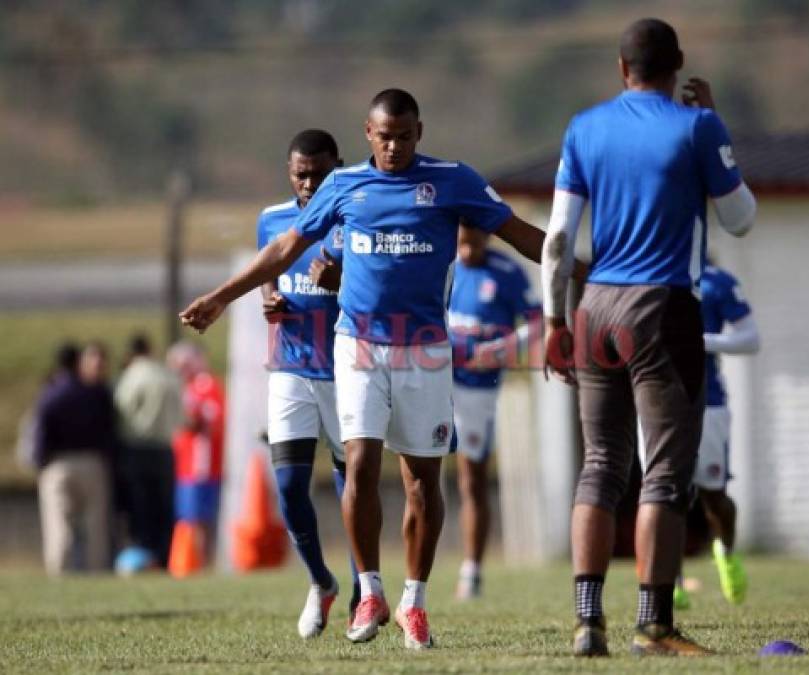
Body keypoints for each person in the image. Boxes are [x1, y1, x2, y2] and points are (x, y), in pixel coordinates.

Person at [180, 88, 560, 649]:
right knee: (358, 462)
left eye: (404, 136)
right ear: (367, 133)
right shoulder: (343, 185)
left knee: (423, 483)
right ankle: (370, 591)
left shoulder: (452, 180)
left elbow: (520, 234)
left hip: (426, 350)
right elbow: (286, 248)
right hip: (356, 344)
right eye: (384, 136)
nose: (394, 146)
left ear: (419, 132)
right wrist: (221, 296)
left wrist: (585, 270)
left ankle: (415, 602)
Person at [541, 18, 756, 657]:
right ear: (678, 65)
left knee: (601, 465)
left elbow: (557, 240)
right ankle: (654, 625)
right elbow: (740, 220)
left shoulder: (584, 128)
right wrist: (716, 127)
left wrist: (556, 320)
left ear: (620, 68)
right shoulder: (697, 126)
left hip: (595, 306)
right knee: (664, 472)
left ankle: (587, 622)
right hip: (662, 307)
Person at [256, 128, 360, 639]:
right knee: (289, 486)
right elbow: (270, 271)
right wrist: (269, 299)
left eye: (320, 173)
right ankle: (321, 582)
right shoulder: (272, 220)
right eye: (301, 174)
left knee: (353, 487)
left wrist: (342, 284)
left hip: (346, 370)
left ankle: (367, 583)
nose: (310, 183)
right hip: (291, 369)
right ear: (289, 173)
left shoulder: (356, 216)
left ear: (338, 166)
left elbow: (379, 289)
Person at [448, 223, 542, 599]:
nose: (467, 249)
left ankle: (472, 571)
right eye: (461, 242)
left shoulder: (506, 272)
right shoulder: (442, 266)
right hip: (437, 381)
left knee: (471, 478)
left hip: (477, 389)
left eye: (473, 240)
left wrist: (505, 347)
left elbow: (537, 321)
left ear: (486, 236)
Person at [672, 262, 759, 609]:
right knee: (665, 494)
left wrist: (703, 340)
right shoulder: (641, 271)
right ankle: (668, 581)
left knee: (714, 497)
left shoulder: (717, 281)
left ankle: (725, 551)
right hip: (655, 401)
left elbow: (751, 339)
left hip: (709, 403)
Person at [34, 341, 117, 574]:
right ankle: (96, 570)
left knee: (59, 523)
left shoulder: (50, 394)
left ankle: (60, 569)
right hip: (93, 462)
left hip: (58, 464)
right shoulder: (95, 392)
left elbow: (41, 432)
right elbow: (109, 429)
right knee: (95, 525)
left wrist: (41, 462)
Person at [114, 333, 183, 567]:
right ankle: (164, 558)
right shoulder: (168, 376)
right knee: (164, 508)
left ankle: (141, 558)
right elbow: (181, 415)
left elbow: (121, 412)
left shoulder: (131, 377)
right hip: (165, 450)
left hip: (137, 449)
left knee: (140, 508)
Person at [167, 341, 225, 566]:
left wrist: (184, 417)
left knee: (200, 519)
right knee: (189, 518)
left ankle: (202, 563)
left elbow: (210, 421)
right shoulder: (187, 387)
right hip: (186, 463)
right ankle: (192, 563)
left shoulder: (206, 385)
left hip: (201, 464)